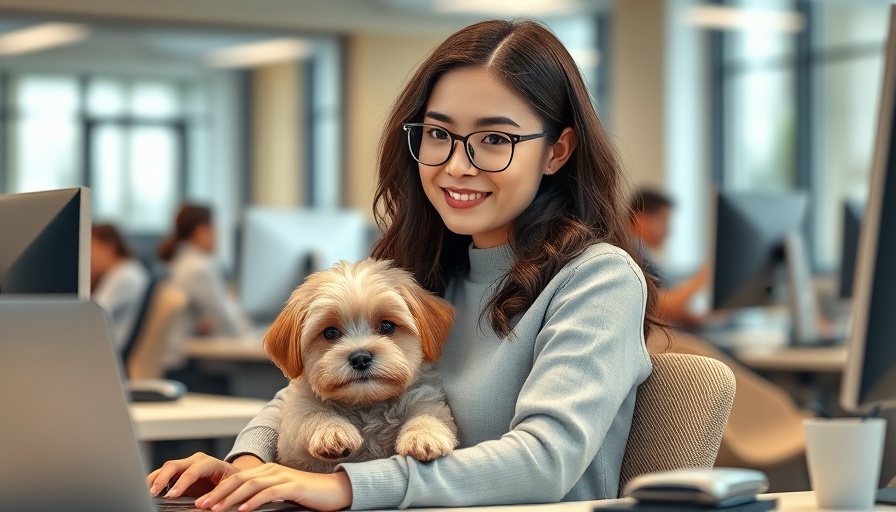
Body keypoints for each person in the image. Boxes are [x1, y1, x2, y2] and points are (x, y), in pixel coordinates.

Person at [148, 19, 664, 512]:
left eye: (495, 139)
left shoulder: (597, 279)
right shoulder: (418, 270)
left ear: (556, 152)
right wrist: (247, 466)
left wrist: (349, 487)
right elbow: (298, 393)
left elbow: (545, 461)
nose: (457, 164)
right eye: (438, 134)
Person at [157, 204, 248, 383]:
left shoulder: (180, 261)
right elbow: (229, 323)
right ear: (201, 231)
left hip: (170, 364)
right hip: (182, 367)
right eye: (215, 229)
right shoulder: (198, 268)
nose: (217, 237)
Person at [628, 188, 709, 328]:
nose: (668, 231)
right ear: (641, 219)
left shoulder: (642, 254)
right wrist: (701, 279)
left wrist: (704, 318)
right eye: (663, 221)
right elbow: (658, 309)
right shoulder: (631, 256)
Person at [90, 223, 151, 353]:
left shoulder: (124, 275)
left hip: (116, 354)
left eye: (90, 248)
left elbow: (92, 314)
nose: (87, 257)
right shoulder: (128, 270)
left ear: (109, 246)